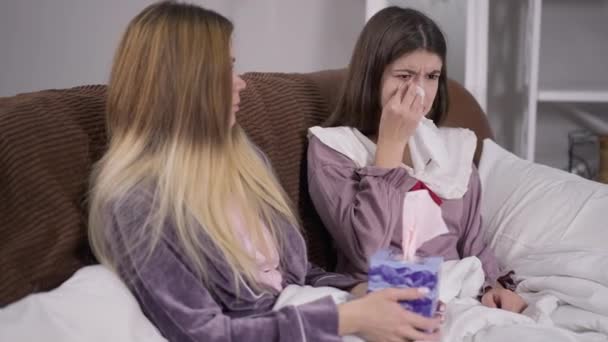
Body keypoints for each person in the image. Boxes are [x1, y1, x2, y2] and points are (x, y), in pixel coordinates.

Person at [88, 2, 441, 341]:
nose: (241, 82)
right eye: (225, 69)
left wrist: (360, 291)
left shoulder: (245, 159)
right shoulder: (134, 204)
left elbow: (294, 277)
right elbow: (203, 334)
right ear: (181, 82)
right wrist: (347, 319)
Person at [307, 6, 527, 313]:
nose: (419, 91)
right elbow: (368, 254)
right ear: (371, 77)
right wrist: (390, 147)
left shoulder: (454, 149)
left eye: (432, 76)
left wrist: (494, 287)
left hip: (460, 293)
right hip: (386, 300)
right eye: (404, 75)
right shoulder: (334, 149)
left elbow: (473, 244)